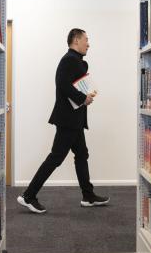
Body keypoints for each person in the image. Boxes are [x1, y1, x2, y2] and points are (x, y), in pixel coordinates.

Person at [17, 28, 110, 214]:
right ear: (76, 40)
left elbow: (72, 85)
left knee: (82, 154)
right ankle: (28, 195)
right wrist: (83, 98)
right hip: (68, 120)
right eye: (86, 40)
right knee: (56, 157)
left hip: (74, 120)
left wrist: (84, 96)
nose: (88, 44)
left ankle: (88, 195)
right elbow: (62, 84)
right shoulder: (69, 60)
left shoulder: (76, 61)